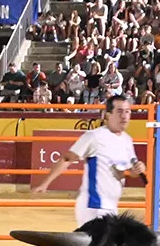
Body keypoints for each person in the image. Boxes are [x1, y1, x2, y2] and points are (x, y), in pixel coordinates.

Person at [31, 94, 147, 222]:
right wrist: (45, 183)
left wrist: (136, 170)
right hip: (93, 206)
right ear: (108, 115)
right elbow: (67, 158)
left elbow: (125, 172)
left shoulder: (127, 140)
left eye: (127, 111)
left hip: (111, 206)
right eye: (119, 111)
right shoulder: (94, 136)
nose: (124, 116)